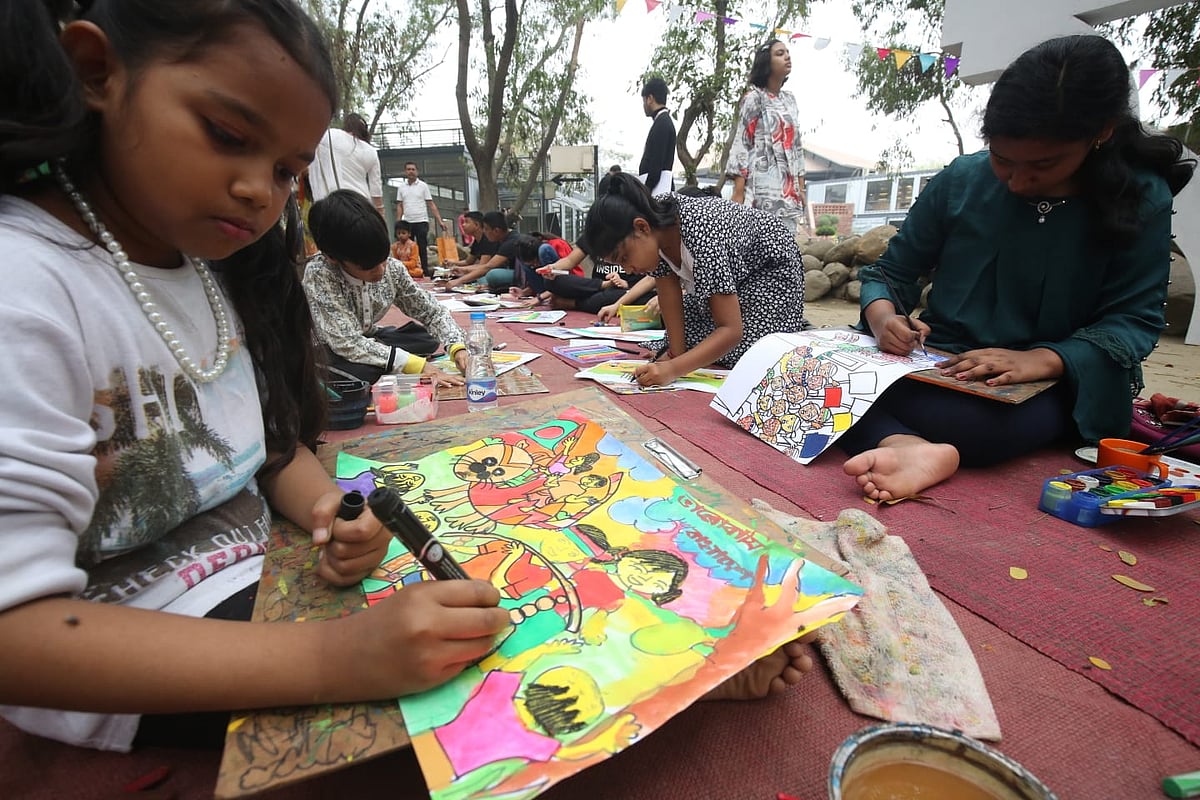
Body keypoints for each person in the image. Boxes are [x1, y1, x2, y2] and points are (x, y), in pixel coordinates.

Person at [0, 0, 508, 752]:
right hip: (148, 653)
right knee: (475, 715)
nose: (258, 191)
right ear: (97, 71)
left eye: (284, 171)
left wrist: (332, 509)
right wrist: (337, 660)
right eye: (228, 136)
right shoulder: (26, 285)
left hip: (273, 582)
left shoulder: (216, 271)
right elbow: (18, 634)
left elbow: (267, 453)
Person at [840, 34, 1195, 503]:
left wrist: (1040, 360)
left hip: (1052, 378)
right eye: (1002, 160)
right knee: (783, 361)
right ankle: (905, 445)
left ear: (1101, 133)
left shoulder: (1143, 197)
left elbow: (1133, 322)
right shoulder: (962, 179)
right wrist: (885, 318)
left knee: (981, 428)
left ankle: (901, 436)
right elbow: (890, 272)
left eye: (1043, 165)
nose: (1017, 181)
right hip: (938, 361)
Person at [580, 172, 809, 387]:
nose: (627, 268)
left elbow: (731, 329)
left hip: (770, 276)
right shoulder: (656, 228)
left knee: (753, 353)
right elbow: (670, 299)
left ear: (642, 227)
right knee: (684, 332)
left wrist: (672, 370)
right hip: (732, 283)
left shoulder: (699, 232)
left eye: (625, 257)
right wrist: (674, 356)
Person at [304, 191, 469, 386]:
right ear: (333, 257)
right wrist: (419, 366)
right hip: (330, 346)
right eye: (369, 267)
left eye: (383, 260)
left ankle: (383, 356)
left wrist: (458, 347)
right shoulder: (320, 273)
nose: (381, 271)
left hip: (368, 336)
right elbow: (346, 342)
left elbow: (432, 311)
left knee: (425, 339)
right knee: (361, 372)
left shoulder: (393, 269)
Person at [726, 39, 810, 235]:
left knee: (785, 252)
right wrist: (737, 194)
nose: (787, 56)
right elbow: (742, 143)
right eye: (780, 53)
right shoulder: (754, 98)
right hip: (760, 192)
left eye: (787, 52)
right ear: (767, 62)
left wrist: (801, 188)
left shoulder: (790, 100)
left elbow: (796, 148)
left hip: (787, 193)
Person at [308, 112, 384, 218]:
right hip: (362, 205)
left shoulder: (330, 136)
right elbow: (376, 190)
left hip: (332, 203)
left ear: (346, 125)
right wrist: (381, 214)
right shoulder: (371, 151)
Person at [395, 161, 450, 278]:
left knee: (422, 247)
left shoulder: (423, 186)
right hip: (408, 222)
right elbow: (400, 205)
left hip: (421, 220)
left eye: (413, 169)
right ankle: (406, 271)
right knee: (406, 247)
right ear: (405, 171)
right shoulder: (401, 188)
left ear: (417, 171)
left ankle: (424, 271)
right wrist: (398, 222)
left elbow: (431, 204)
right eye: (408, 169)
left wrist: (440, 221)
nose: (411, 171)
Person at [445, 210, 519, 291]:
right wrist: (461, 269)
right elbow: (469, 262)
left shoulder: (511, 241)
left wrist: (458, 280)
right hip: (507, 271)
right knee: (483, 277)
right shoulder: (498, 239)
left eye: (486, 229)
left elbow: (488, 266)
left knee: (492, 275)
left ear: (496, 231)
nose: (484, 231)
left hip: (520, 275)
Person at [638, 77, 676, 195]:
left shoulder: (662, 124)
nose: (643, 105)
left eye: (644, 101)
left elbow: (656, 164)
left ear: (650, 99)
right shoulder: (663, 121)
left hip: (657, 192)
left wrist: (645, 192)